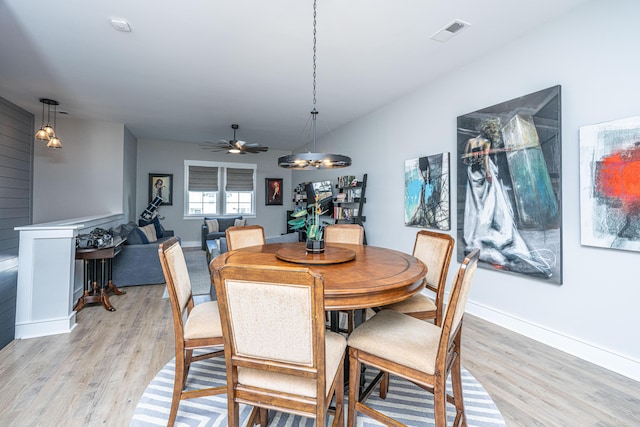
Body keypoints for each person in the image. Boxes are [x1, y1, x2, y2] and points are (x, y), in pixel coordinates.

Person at [462, 118, 552, 278]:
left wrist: (473, 162)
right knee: (492, 202)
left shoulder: (471, 141)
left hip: (472, 174)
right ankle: (492, 231)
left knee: (477, 205)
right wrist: (488, 172)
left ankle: (479, 231)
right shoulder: (486, 143)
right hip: (484, 173)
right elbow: (485, 160)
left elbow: (465, 159)